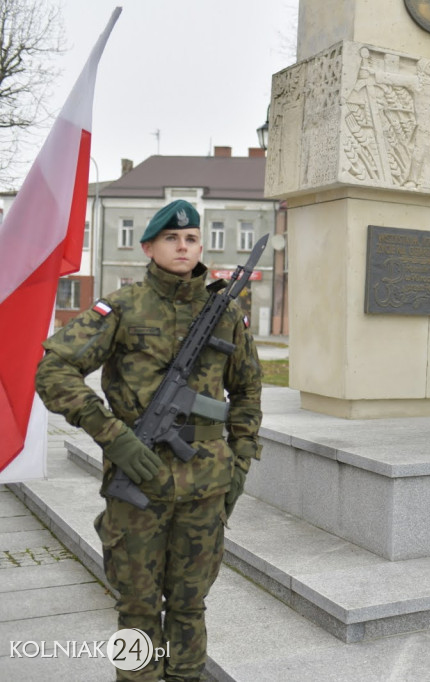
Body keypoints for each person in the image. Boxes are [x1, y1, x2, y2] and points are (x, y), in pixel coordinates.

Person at [34, 199, 263, 681]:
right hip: (140, 481)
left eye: (192, 238)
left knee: (190, 606)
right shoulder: (122, 306)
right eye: (171, 239)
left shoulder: (225, 310)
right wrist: (113, 438)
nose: (184, 246)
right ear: (149, 248)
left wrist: (240, 464)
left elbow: (246, 390)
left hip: (206, 483)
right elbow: (54, 370)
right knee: (136, 611)